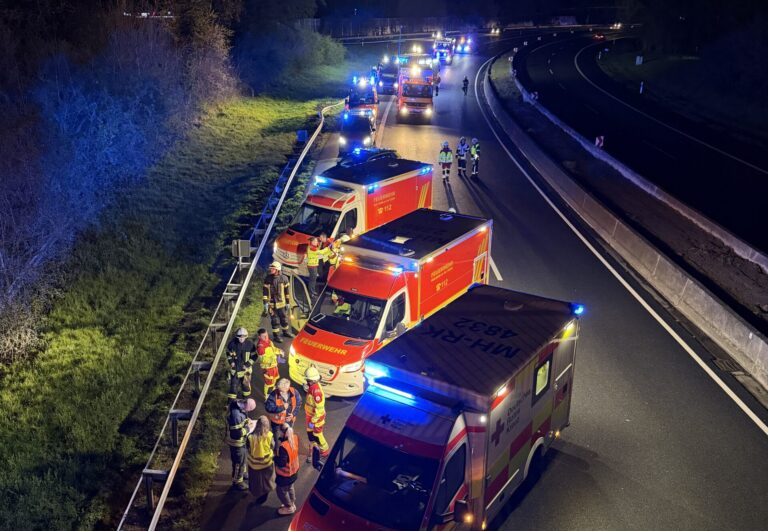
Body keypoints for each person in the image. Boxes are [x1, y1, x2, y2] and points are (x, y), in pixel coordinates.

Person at [226, 398, 256, 490]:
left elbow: (242, 420)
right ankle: (237, 482)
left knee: (242, 460)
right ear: (246, 407)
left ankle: (242, 474)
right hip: (236, 443)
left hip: (241, 442)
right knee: (238, 462)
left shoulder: (238, 404)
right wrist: (247, 428)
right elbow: (235, 434)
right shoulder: (236, 416)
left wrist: (247, 420)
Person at [246, 415, 275, 504]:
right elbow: (272, 446)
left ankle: (256, 494)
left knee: (256, 482)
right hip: (267, 463)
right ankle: (264, 496)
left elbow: (248, 448)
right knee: (266, 481)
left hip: (254, 465)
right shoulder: (270, 435)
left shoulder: (250, 437)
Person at [265, 378, 302, 447]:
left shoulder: (294, 392)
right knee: (277, 439)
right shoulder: (273, 394)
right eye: (279, 390)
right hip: (277, 422)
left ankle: (285, 450)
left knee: (287, 437)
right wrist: (282, 407)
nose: (280, 392)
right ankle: (277, 451)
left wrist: (293, 415)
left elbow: (298, 403)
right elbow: (268, 408)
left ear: (287, 389)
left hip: (289, 421)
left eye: (282, 391)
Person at [263, 262, 294, 343]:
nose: (271, 270)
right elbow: (265, 292)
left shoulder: (284, 278)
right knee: (275, 321)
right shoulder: (268, 279)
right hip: (272, 305)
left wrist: (287, 302)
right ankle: (276, 336)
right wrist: (265, 303)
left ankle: (285, 332)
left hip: (282, 304)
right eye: (271, 268)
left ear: (277, 269)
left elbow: (287, 292)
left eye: (273, 268)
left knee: (284, 319)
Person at [303, 367, 329, 462]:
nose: (307, 381)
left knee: (317, 435)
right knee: (311, 435)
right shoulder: (312, 387)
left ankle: (324, 452)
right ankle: (313, 450)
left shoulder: (316, 391)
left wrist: (313, 421)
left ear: (312, 380)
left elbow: (319, 410)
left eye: (308, 380)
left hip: (316, 419)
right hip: (310, 416)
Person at [274, 424, 300, 516]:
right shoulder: (295, 438)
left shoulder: (283, 447)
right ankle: (292, 503)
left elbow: (282, 463)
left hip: (285, 476)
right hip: (294, 472)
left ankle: (288, 507)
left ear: (283, 432)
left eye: (279, 432)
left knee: (281, 491)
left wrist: (274, 457)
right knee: (290, 488)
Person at [226, 327, 255, 402]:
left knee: (246, 388)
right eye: (240, 337)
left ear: (246, 336)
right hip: (235, 369)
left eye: (243, 337)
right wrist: (231, 362)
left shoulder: (250, 344)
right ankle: (231, 403)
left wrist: (248, 364)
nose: (241, 339)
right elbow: (228, 354)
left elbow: (254, 355)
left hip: (246, 370)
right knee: (233, 387)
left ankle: (247, 401)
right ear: (237, 336)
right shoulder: (232, 344)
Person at [256, 328, 282, 400]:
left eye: (266, 335)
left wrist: (279, 351)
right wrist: (272, 359)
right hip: (267, 368)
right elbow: (262, 359)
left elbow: (273, 349)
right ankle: (267, 397)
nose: (266, 337)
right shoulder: (260, 347)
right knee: (268, 383)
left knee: (274, 380)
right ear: (259, 337)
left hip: (274, 366)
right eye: (263, 336)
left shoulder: (269, 341)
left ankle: (272, 392)